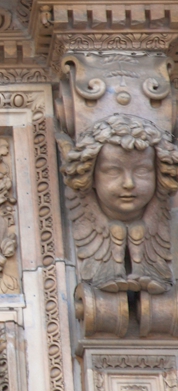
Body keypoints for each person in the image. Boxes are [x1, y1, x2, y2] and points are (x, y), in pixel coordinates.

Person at [61, 113, 178, 293]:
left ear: (159, 173)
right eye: (113, 171)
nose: (129, 183)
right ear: (90, 176)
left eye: (142, 170)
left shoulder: (161, 204)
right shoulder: (86, 202)